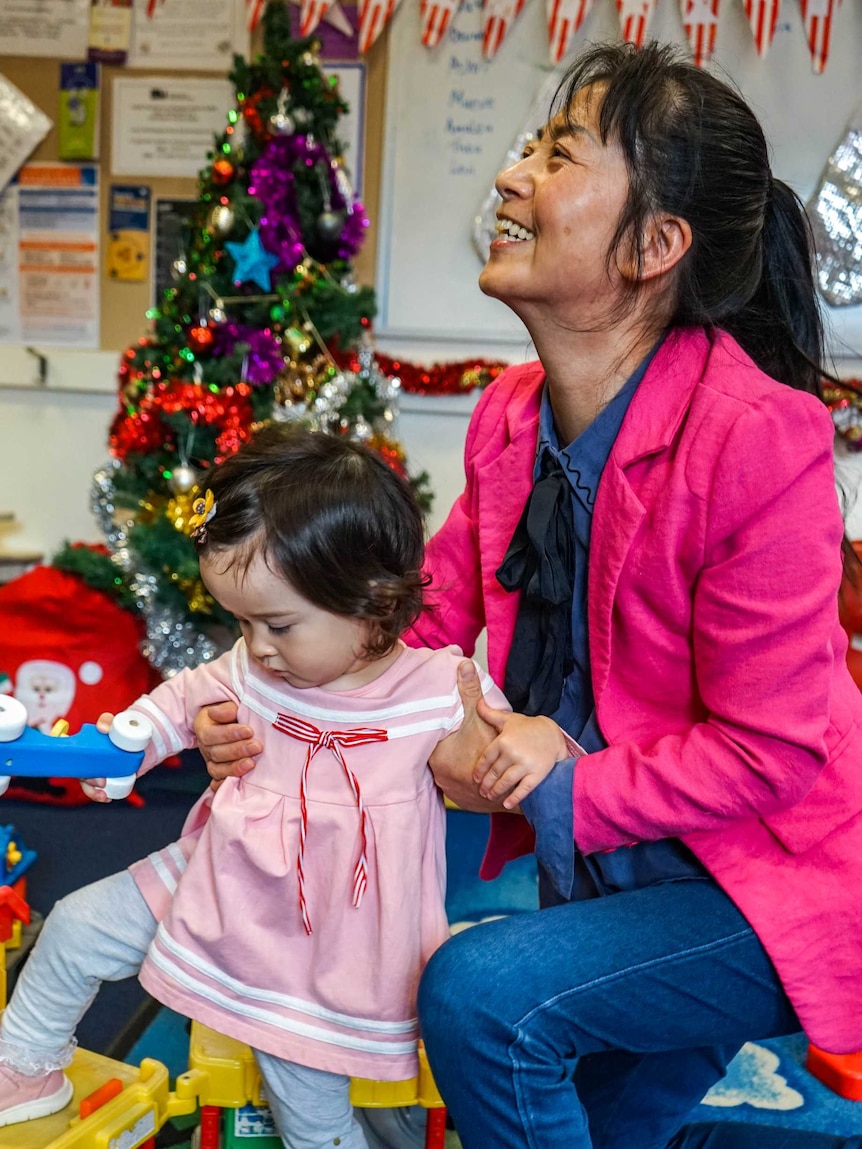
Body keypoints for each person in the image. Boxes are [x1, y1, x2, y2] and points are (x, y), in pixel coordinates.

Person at [195, 41, 862, 1149]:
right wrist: (260, 705)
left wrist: (556, 774)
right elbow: (414, 619)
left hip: (764, 883)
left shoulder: (759, 438)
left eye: (558, 156)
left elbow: (772, 751)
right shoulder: (512, 413)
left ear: (654, 246)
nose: (512, 178)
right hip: (615, 878)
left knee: (479, 996)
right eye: (529, 150)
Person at [0, 426, 538, 1148]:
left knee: (308, 1114)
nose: (255, 645)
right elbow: (179, 701)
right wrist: (126, 743)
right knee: (72, 925)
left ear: (375, 601)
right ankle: (26, 1068)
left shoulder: (437, 688)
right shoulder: (259, 667)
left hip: (324, 947)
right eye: (241, 621)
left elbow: (504, 764)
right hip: (218, 876)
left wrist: (523, 751)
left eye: (277, 623)